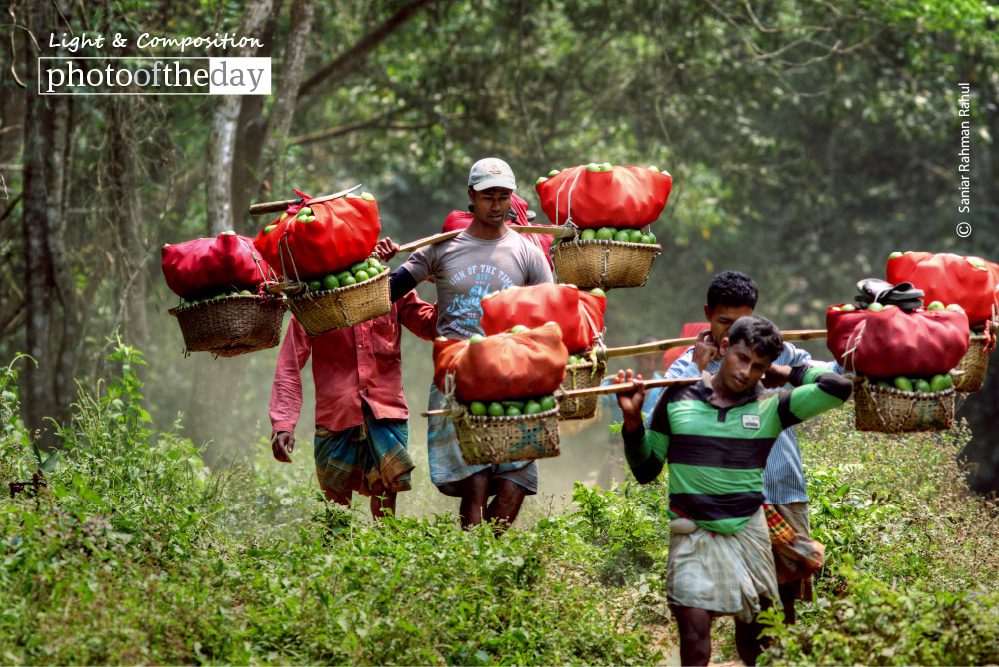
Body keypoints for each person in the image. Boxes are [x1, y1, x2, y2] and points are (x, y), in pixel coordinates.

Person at [616, 316, 851, 666]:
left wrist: (787, 374)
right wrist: (633, 424)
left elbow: (838, 387)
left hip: (749, 536)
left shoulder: (773, 406)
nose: (745, 372)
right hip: (691, 536)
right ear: (725, 348)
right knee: (695, 642)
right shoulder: (677, 397)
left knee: (757, 643)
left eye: (758, 366)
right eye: (742, 358)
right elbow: (647, 470)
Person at [374, 157, 553, 531]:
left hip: (514, 377)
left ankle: (490, 555)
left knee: (515, 480)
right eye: (489, 196)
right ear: (472, 196)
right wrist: (377, 262)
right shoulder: (441, 249)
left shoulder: (527, 253)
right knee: (475, 477)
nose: (497, 205)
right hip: (457, 377)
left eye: (504, 197)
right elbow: (390, 291)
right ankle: (472, 560)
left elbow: (552, 313)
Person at [664, 271, 820, 624]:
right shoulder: (686, 366)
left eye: (742, 322)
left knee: (781, 603)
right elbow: (659, 417)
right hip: (718, 500)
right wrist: (697, 368)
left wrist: (785, 371)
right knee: (726, 607)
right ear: (708, 315)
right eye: (724, 322)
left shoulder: (779, 353)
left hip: (780, 487)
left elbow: (828, 375)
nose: (733, 332)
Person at [268, 292, 437, 519]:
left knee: (385, 499)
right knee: (337, 508)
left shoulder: (392, 288)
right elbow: (289, 364)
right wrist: (283, 423)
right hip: (336, 418)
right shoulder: (313, 300)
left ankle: (386, 553)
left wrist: (447, 280)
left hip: (385, 413)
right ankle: (336, 552)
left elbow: (433, 327)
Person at [596, 334, 663, 489]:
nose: (651, 365)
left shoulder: (663, 386)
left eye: (656, 360)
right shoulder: (619, 383)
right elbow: (596, 400)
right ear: (636, 358)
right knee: (614, 493)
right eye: (647, 359)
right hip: (619, 450)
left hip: (650, 451)